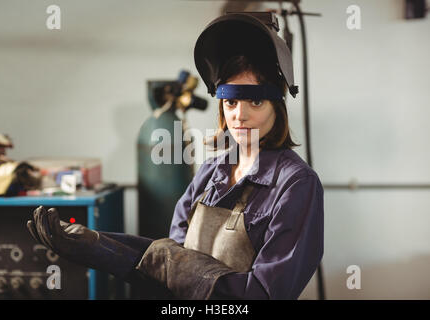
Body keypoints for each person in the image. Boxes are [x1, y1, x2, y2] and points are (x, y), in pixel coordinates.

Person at [27, 12, 323, 300]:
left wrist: (168, 266)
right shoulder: (211, 172)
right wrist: (98, 246)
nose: (240, 115)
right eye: (231, 101)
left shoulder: (296, 185)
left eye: (255, 101)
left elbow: (264, 293)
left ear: (277, 106)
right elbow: (168, 266)